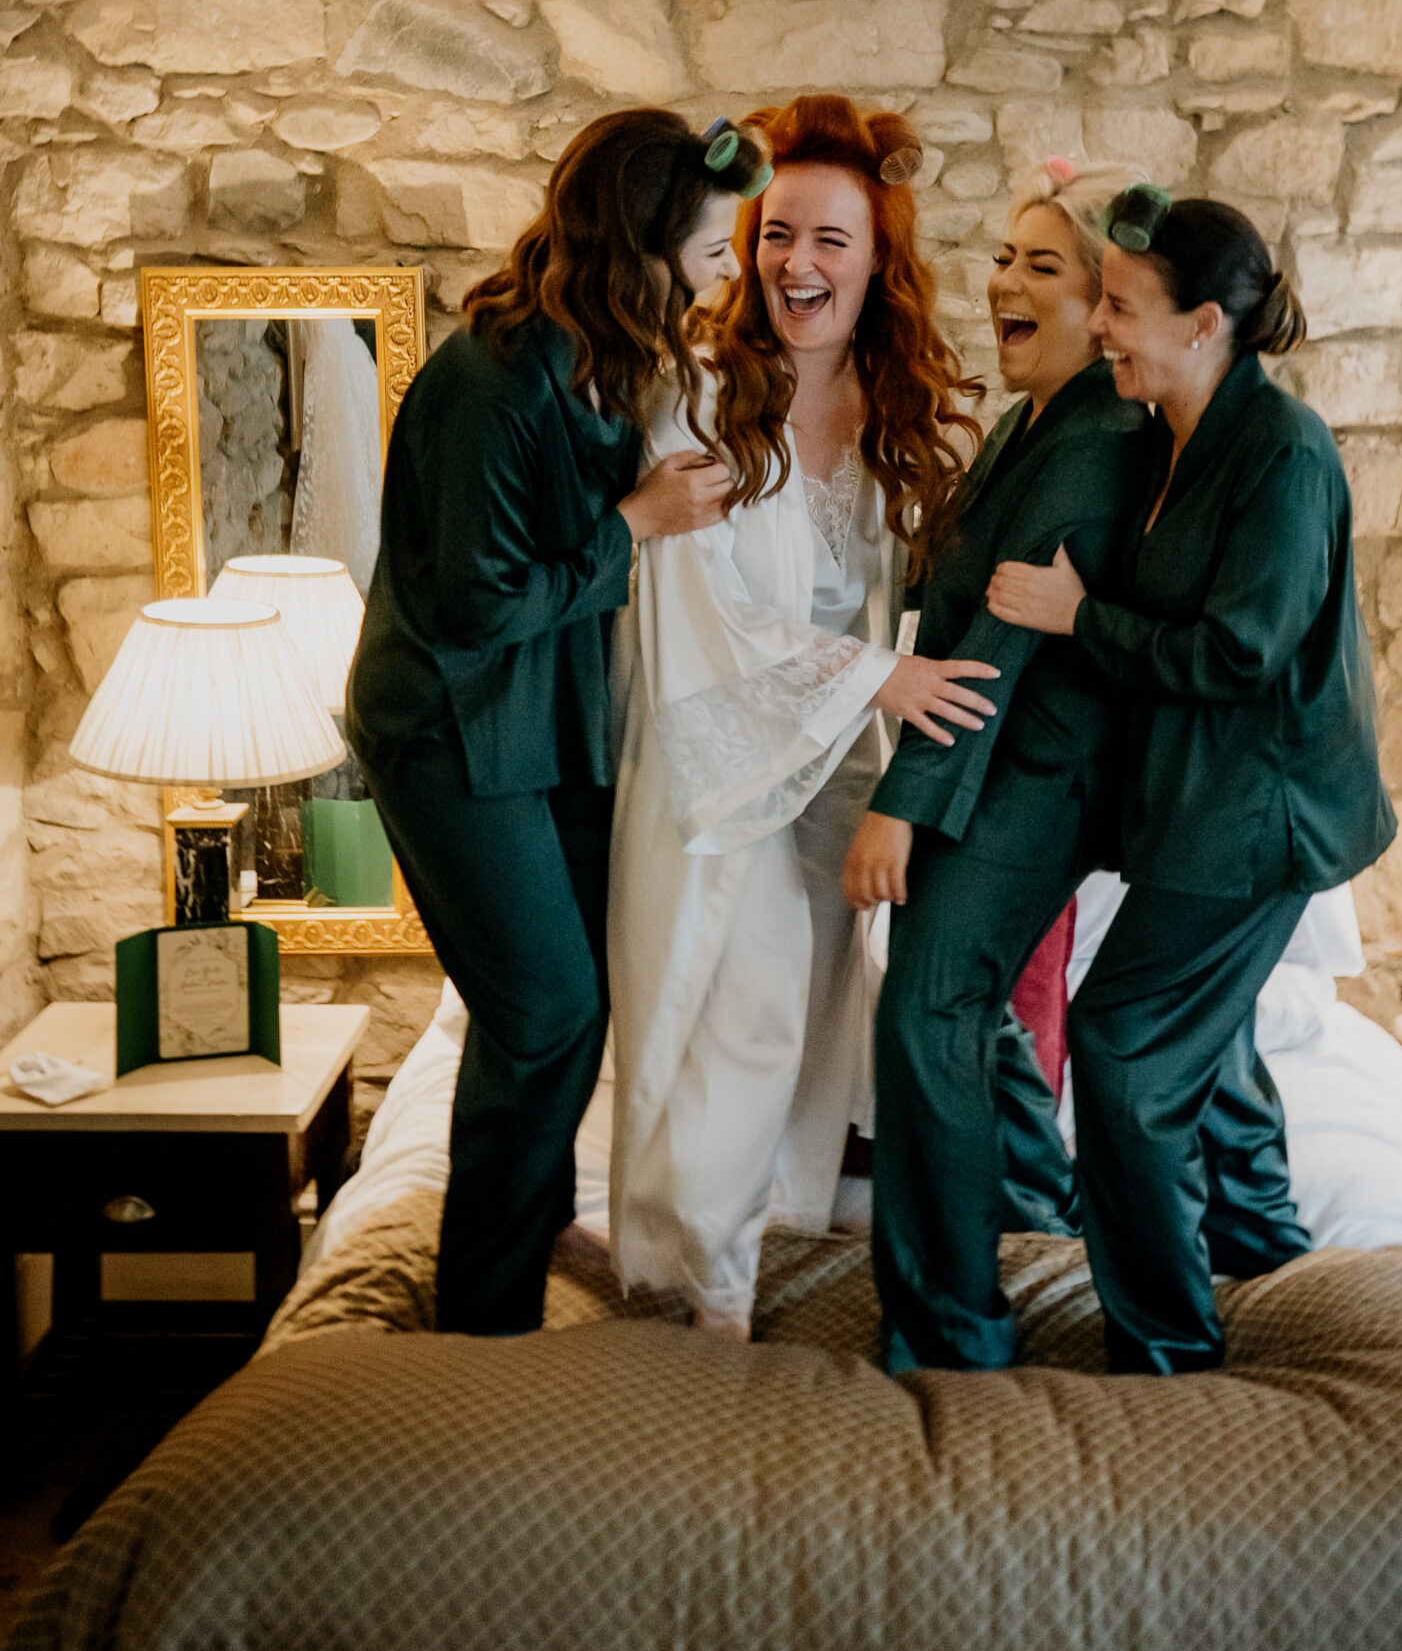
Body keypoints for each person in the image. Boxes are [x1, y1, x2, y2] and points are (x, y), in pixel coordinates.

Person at [346, 108, 769, 1337]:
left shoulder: (619, 354)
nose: (728, 269)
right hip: (451, 724)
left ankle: (526, 1232)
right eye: (712, 247)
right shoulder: (489, 376)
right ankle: (481, 1310)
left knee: (583, 1000)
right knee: (543, 1011)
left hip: (551, 720)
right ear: (640, 241)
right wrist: (634, 523)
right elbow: (479, 608)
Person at [982, 189, 1395, 1375]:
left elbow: (1238, 650)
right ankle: (1264, 1261)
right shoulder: (1162, 431)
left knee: (1119, 1051)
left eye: (1118, 305)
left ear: (1204, 321)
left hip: (1259, 819)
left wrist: (1076, 618)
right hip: (1194, 808)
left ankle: (1167, 1345)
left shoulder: (1284, 451)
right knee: (1201, 1048)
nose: (1097, 323)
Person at [606, 92, 992, 1335]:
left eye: (831, 239)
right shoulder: (702, 394)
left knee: (815, 1026)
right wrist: (877, 678)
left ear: (878, 262)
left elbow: (907, 600)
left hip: (836, 775)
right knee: (745, 1009)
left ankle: (766, 1265)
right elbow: (694, 605)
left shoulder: (895, 413)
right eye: (777, 234)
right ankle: (690, 1307)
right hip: (717, 765)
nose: (796, 262)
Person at [845, 163, 1148, 1367]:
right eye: (1005, 259)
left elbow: (992, 654)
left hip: (1031, 778)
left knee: (927, 1008)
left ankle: (950, 1327)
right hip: (998, 765)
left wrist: (896, 809)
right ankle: (1035, 1219)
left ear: (1103, 304)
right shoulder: (1037, 418)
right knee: (958, 1017)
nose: (1004, 284)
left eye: (1043, 266)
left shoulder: (1098, 440)